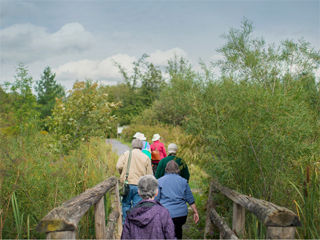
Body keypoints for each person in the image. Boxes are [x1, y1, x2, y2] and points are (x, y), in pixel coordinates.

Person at [121, 175, 176, 239]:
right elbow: (170, 236)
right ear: (156, 192)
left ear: (139, 193)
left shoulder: (131, 214)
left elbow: (125, 237)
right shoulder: (163, 213)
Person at [155, 161, 199, 239]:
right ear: (178, 169)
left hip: (165, 214)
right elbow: (190, 199)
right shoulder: (183, 181)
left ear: (166, 169)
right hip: (181, 215)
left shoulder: (160, 181)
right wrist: (196, 212)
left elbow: (156, 199)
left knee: (165, 233)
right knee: (178, 231)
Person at [116, 139, 153, 223]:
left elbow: (118, 166)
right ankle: (135, 224)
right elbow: (149, 175)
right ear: (141, 146)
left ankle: (126, 223)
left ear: (132, 145)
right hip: (140, 185)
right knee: (137, 206)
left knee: (126, 204)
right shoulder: (146, 157)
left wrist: (122, 174)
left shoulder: (126, 154)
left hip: (127, 184)